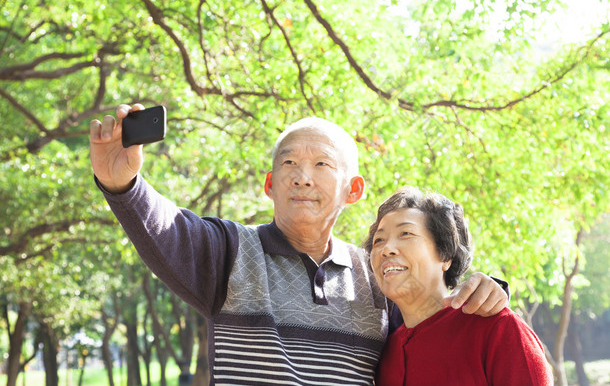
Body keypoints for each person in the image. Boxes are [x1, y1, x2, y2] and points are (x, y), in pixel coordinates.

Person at [89, 104, 509, 385]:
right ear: (270, 185)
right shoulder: (230, 252)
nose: (302, 177)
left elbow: (433, 315)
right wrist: (122, 183)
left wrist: (486, 288)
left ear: (354, 190)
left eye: (322, 164)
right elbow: (167, 228)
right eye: (289, 163)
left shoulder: (379, 272)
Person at [365, 186, 553, 386]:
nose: (387, 249)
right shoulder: (384, 354)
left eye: (405, 233)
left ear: (445, 255)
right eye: (379, 240)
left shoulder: (497, 329)